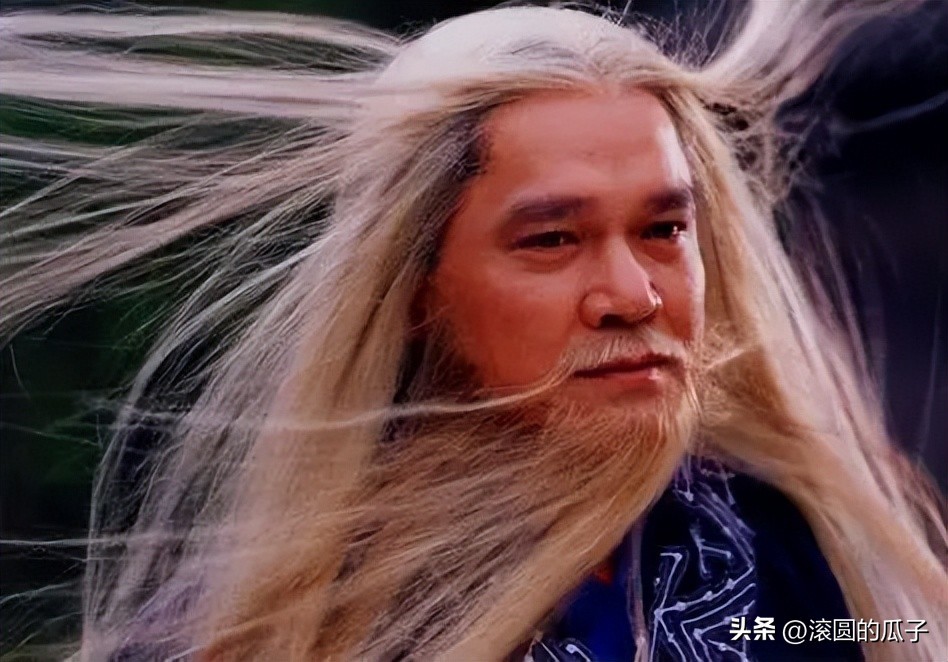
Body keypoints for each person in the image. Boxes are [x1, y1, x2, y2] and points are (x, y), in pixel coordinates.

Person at [0, 2, 945, 660]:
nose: (632, 295)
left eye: (664, 230)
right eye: (552, 240)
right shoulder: (277, 632)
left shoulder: (779, 550)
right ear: (415, 285)